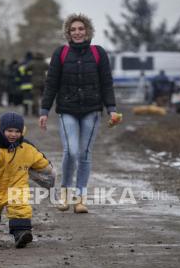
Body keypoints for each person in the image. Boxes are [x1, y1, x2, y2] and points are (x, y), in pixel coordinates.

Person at [39, 13, 120, 213]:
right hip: (67, 110)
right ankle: (65, 194)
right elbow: (51, 84)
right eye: (73, 29)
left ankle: (81, 199)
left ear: (88, 31)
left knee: (84, 154)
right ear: (68, 32)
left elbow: (107, 83)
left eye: (81, 29)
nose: (77, 32)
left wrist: (112, 110)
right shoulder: (61, 54)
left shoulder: (99, 53)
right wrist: (44, 110)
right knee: (72, 151)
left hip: (92, 110)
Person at [0, 112, 55, 248]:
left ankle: (21, 233)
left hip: (17, 185)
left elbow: (40, 160)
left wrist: (48, 171)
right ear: (2, 130)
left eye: (17, 131)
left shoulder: (26, 147)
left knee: (20, 207)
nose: (13, 135)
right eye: (9, 131)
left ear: (22, 132)